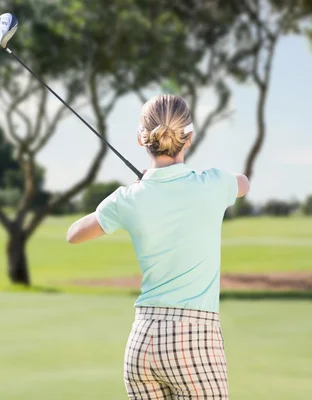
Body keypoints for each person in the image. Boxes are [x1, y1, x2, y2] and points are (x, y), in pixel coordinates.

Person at [66, 94, 250, 399]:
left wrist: (126, 197)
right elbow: (243, 183)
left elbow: (74, 234)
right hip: (194, 340)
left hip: (142, 342)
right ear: (188, 138)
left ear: (142, 139)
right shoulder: (212, 183)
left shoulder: (128, 198)